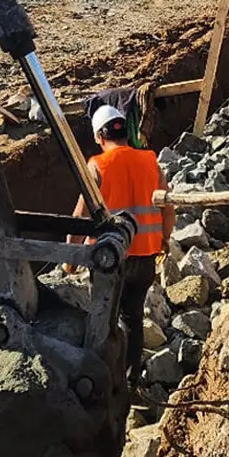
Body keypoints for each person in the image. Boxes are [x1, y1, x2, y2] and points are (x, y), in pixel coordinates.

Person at [72, 104, 170, 378]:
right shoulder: (150, 160)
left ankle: (105, 380)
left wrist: (70, 260)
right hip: (146, 256)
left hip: (110, 260)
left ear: (98, 137)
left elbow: (80, 216)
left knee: (104, 322)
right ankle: (132, 379)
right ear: (125, 132)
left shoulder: (96, 166)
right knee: (133, 318)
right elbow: (168, 206)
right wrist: (164, 239)